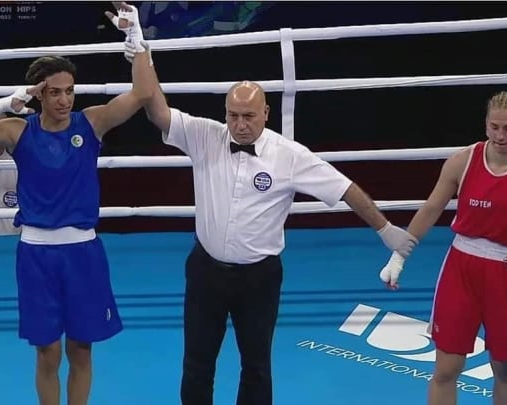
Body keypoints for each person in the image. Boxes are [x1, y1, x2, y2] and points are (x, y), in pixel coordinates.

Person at [111, 4, 418, 404]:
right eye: (233, 115)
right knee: (197, 363)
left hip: (259, 280)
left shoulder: (289, 154)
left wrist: (385, 229)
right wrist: (139, 44)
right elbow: (156, 109)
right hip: (206, 272)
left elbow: (345, 188)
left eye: (248, 116)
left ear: (266, 114)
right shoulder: (205, 135)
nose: (239, 124)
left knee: (256, 366)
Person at [0, 10, 153, 404]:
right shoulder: (17, 130)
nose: (64, 99)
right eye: (54, 91)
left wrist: (136, 41)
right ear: (38, 93)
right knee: (48, 352)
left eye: (69, 90)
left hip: (83, 252)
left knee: (81, 350)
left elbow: (142, 94)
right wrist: (4, 103)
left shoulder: (91, 123)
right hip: (36, 253)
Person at [378, 91, 507, 405]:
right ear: (486, 125)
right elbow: (432, 208)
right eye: (494, 127)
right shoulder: (463, 161)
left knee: (505, 369)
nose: (500, 135)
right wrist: (400, 254)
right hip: (461, 267)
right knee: (446, 368)